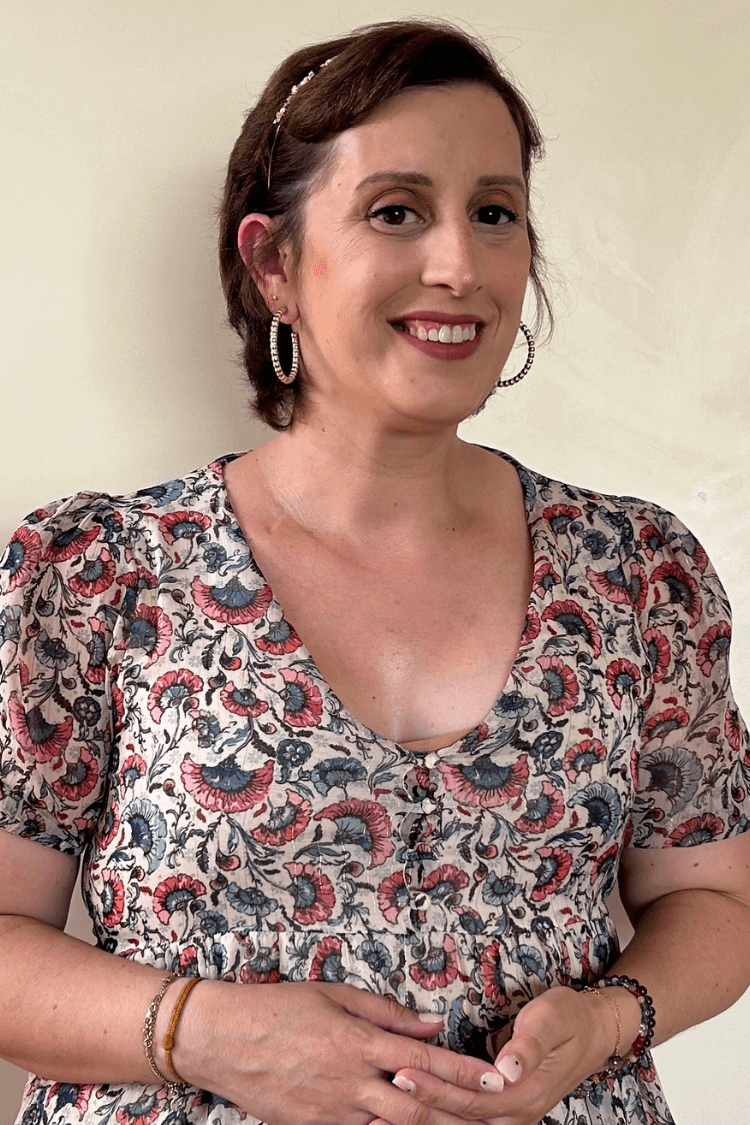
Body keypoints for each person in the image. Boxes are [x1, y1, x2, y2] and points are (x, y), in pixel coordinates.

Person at [1, 17, 749, 1125]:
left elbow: (713, 897)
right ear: (274, 264)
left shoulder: (639, 575)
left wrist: (611, 1016)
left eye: (495, 214)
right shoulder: (99, 572)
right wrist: (199, 1031)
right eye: (397, 211)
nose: (460, 264)